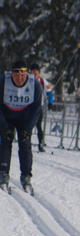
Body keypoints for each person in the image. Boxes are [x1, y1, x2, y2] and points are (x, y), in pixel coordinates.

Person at [0, 60, 43, 194]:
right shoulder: (3, 81)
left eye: (23, 74)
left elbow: (36, 110)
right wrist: (3, 126)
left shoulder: (35, 85)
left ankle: (26, 176)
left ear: (27, 74)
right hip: (7, 116)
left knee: (25, 143)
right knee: (5, 141)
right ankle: (3, 174)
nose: (19, 77)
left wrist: (28, 128)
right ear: (11, 73)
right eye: (16, 74)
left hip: (25, 118)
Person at [30, 63, 50, 152]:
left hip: (38, 108)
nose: (34, 74)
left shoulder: (42, 81)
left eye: (36, 73)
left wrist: (50, 102)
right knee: (28, 126)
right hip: (28, 108)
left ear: (39, 73)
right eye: (33, 73)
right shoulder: (27, 80)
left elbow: (49, 91)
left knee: (39, 127)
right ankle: (26, 143)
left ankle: (41, 144)